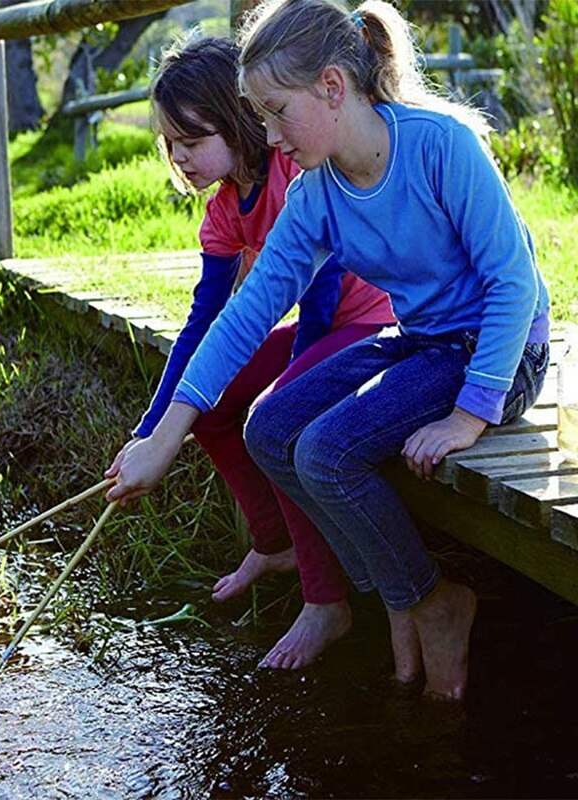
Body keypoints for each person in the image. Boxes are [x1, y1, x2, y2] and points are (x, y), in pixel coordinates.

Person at [107, 0, 550, 700]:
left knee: (326, 450)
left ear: (334, 87)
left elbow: (513, 284)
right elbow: (244, 315)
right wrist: (164, 437)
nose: (270, 135)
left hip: (501, 353)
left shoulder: (442, 146)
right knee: (270, 428)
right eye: (259, 116)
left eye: (278, 112)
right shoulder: (318, 192)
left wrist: (470, 415)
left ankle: (433, 602)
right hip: (423, 342)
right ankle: (400, 598)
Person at [105, 34, 395, 669]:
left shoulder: (295, 176)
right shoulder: (221, 214)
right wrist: (152, 432)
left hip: (372, 326)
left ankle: (328, 602)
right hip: (324, 331)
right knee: (209, 408)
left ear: (237, 120)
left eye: (194, 139)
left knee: (275, 416)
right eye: (171, 144)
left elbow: (321, 303)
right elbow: (202, 327)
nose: (180, 158)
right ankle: (273, 542)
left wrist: (287, 384)